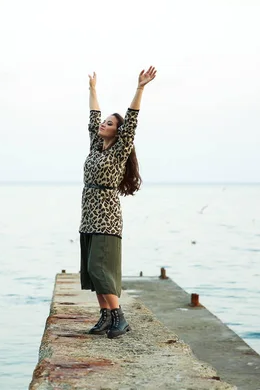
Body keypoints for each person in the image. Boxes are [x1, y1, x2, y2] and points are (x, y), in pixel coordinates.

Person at [79, 66, 157, 339]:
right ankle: (106, 317)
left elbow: (132, 120)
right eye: (105, 122)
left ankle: (119, 318)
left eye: (110, 124)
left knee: (101, 270)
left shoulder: (119, 151)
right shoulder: (95, 147)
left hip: (106, 216)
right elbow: (93, 117)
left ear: (118, 132)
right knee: (91, 271)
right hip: (88, 215)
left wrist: (140, 88)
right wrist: (92, 90)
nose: (103, 124)